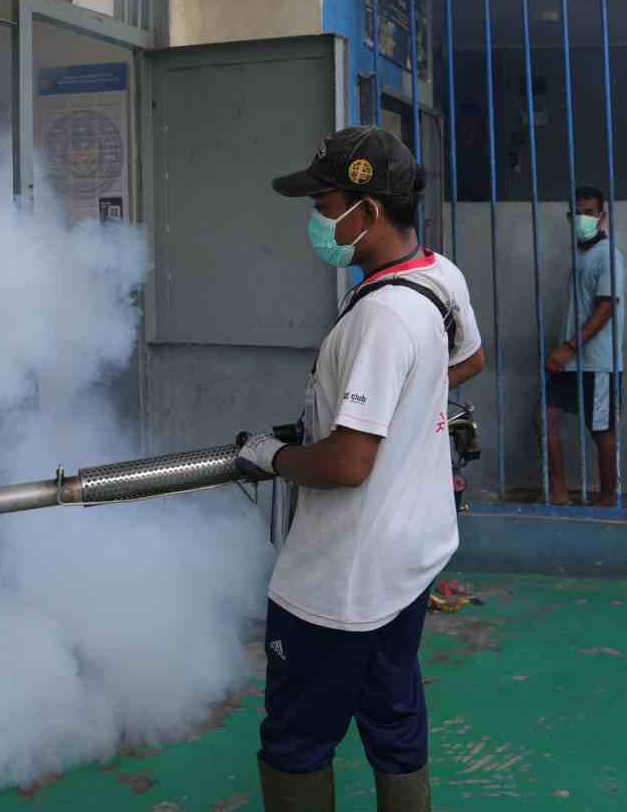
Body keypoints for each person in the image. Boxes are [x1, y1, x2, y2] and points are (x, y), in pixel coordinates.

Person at [237, 126, 484, 812]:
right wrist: (407, 407)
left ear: (368, 212)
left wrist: (277, 457)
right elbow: (465, 360)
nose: (317, 219)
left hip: (340, 580)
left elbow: (348, 463)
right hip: (407, 558)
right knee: (393, 716)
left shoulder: (382, 320)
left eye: (326, 204)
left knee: (296, 740)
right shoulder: (436, 278)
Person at [542, 184, 626, 506]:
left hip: (597, 361)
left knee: (602, 432)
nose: (583, 218)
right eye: (577, 213)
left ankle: (607, 500)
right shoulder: (582, 255)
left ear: (602, 216)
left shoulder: (608, 255)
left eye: (589, 213)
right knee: (546, 418)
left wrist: (568, 347)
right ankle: (560, 494)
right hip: (571, 358)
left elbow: (606, 308)